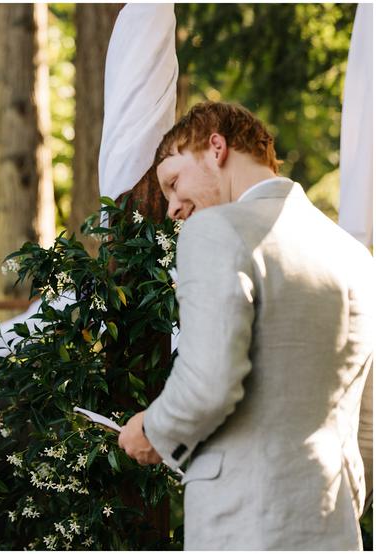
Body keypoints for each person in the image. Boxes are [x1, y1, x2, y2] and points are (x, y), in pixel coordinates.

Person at [119, 101, 374, 549]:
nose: (173, 209)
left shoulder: (216, 231)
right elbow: (368, 421)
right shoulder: (354, 254)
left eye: (174, 183)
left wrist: (153, 430)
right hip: (336, 522)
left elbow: (210, 381)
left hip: (244, 520)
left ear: (215, 146)